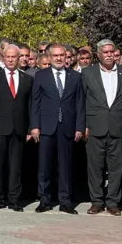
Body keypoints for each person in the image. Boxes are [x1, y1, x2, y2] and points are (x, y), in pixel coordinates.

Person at [30, 43, 84, 213]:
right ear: (49, 57)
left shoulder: (75, 77)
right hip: (46, 127)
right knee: (45, 165)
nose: (59, 58)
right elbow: (35, 103)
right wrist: (35, 126)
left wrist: (79, 127)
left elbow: (80, 104)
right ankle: (44, 199)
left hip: (67, 126)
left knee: (65, 166)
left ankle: (65, 201)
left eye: (62, 55)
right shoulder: (41, 76)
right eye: (56, 56)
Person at [81, 39, 122, 216]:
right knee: (95, 167)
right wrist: (84, 125)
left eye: (112, 52)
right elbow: (82, 102)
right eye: (106, 52)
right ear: (98, 55)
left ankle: (112, 201)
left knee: (117, 166)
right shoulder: (87, 73)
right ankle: (96, 201)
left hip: (118, 126)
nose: (110, 55)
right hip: (95, 127)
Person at [0, 43, 32, 211]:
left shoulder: (27, 79)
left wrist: (30, 129)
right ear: (3, 57)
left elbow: (29, 106)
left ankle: (14, 199)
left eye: (14, 57)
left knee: (16, 166)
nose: (11, 60)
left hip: (19, 128)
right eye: (8, 57)